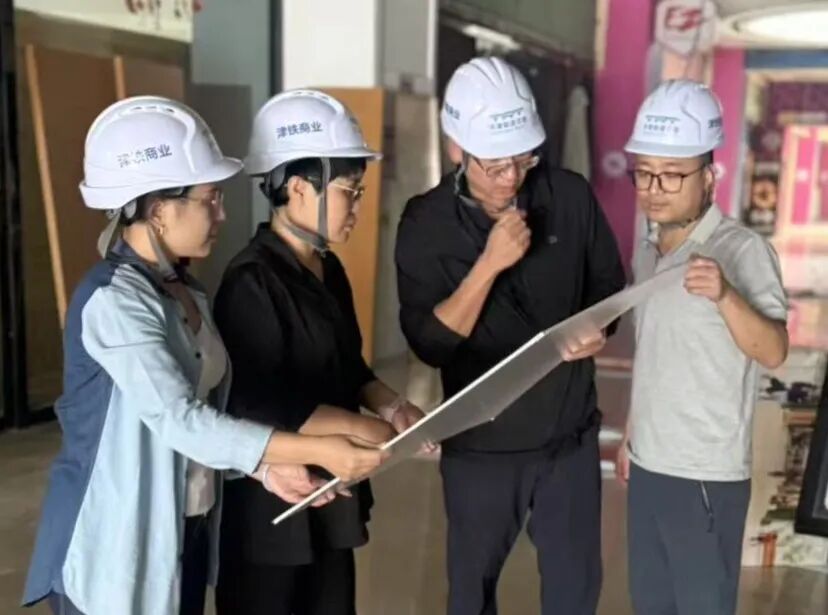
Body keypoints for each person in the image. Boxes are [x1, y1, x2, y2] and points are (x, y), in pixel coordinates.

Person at [22, 96, 386, 615]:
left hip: (183, 531)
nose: (222, 213)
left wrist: (266, 472)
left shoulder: (187, 293)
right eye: (209, 199)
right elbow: (182, 421)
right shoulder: (113, 301)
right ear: (158, 210)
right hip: (115, 538)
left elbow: (213, 419)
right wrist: (316, 450)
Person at [395, 56, 626, 615]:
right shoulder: (426, 224)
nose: (511, 178)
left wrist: (598, 326)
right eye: (495, 165)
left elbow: (608, 286)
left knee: (575, 591)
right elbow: (430, 344)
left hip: (569, 440)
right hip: (481, 450)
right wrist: (489, 265)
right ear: (456, 148)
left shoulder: (568, 197)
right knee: (472, 594)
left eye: (522, 160)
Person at [213, 89, 428, 615]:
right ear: (297, 188)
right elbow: (257, 401)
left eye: (359, 190)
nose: (357, 205)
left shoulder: (327, 268)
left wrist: (393, 406)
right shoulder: (252, 280)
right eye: (348, 191)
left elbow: (349, 366)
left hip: (331, 490)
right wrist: (362, 430)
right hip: (273, 504)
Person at [616, 79, 789, 615]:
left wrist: (725, 295)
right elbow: (655, 353)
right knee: (651, 604)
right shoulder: (648, 252)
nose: (655, 188)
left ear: (709, 177)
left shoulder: (742, 251)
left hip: (705, 476)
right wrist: (631, 435)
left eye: (672, 174)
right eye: (644, 173)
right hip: (648, 466)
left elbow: (774, 350)